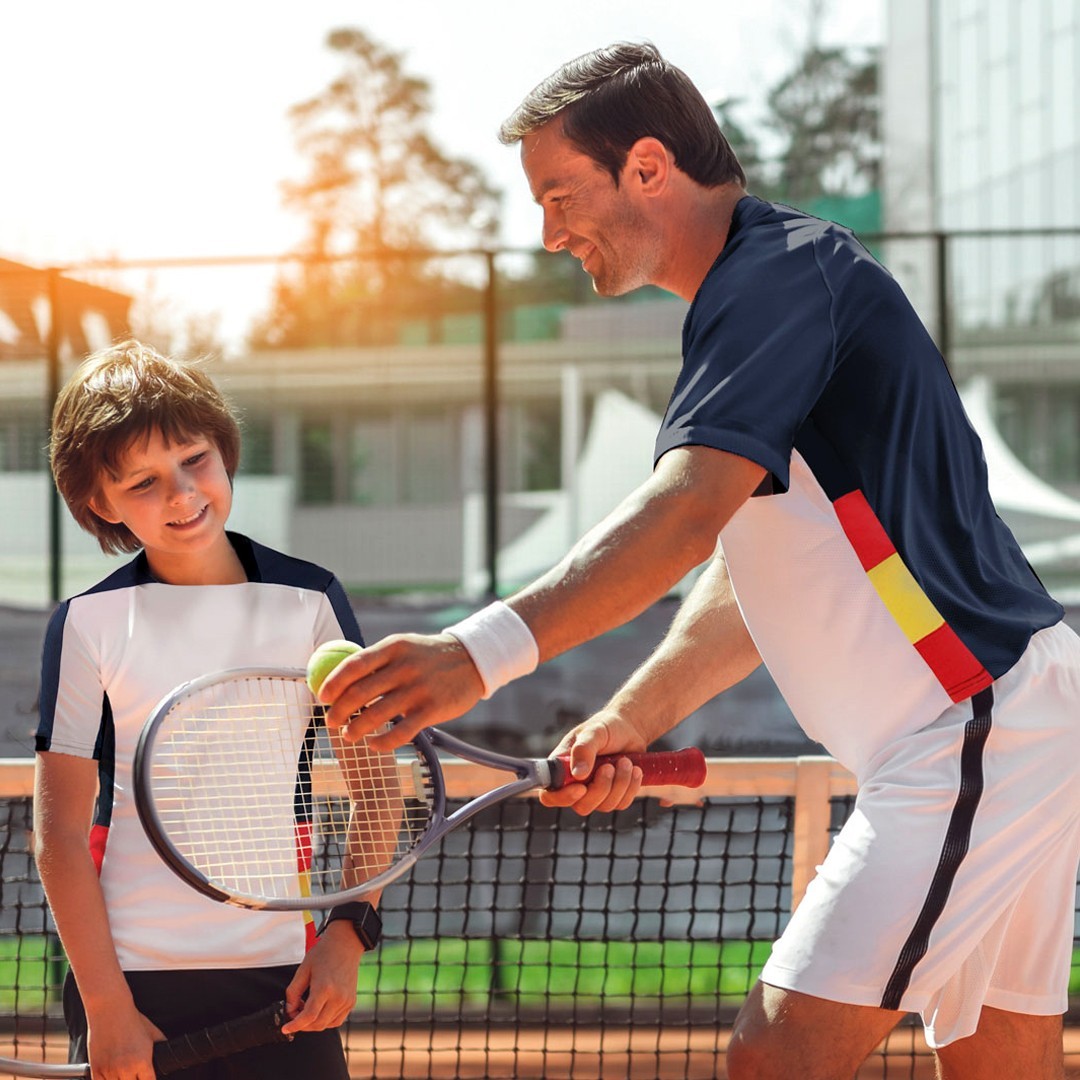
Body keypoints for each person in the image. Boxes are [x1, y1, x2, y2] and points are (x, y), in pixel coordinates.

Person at [315, 42, 1080, 1080]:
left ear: (645, 166)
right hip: (1001, 721)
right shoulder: (766, 290)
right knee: (1001, 1060)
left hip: (967, 726)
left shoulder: (777, 277)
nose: (547, 235)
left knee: (774, 1060)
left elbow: (683, 514)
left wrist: (475, 652)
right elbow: (746, 562)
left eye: (557, 195)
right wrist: (635, 713)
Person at [35, 341, 378, 1080]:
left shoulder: (312, 600)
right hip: (131, 984)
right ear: (101, 501)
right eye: (145, 482)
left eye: (196, 460)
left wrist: (347, 936)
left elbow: (377, 788)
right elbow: (59, 835)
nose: (184, 495)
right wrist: (106, 1007)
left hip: (284, 975)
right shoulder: (87, 623)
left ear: (224, 451)